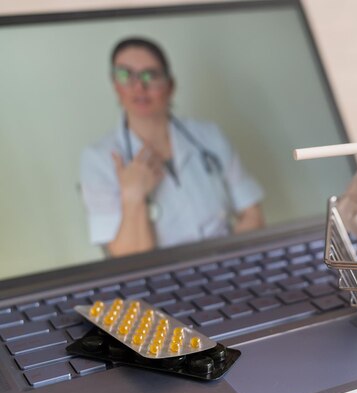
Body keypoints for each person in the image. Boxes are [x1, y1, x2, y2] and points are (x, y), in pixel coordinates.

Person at [80, 37, 264, 257]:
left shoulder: (209, 135)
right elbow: (127, 260)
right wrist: (132, 196)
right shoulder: (99, 159)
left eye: (151, 75)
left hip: (225, 265)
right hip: (160, 280)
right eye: (125, 75)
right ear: (114, 84)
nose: (139, 86)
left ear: (170, 85)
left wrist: (226, 263)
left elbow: (253, 216)